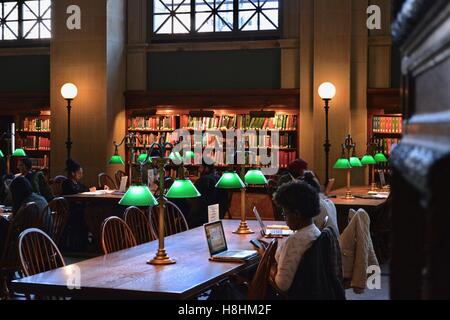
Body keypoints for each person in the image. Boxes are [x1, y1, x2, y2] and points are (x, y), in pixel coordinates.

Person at [271, 181, 322, 293]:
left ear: (297, 214)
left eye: (285, 214)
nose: (285, 218)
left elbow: (282, 285)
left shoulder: (294, 241)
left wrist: (269, 266)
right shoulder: (315, 231)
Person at [61, 159, 95, 252]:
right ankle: (84, 243)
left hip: (78, 207)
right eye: (79, 173)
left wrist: (98, 188)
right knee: (89, 213)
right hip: (71, 211)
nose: (81, 175)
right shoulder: (67, 183)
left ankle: (91, 240)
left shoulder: (77, 183)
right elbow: (75, 193)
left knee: (92, 211)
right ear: (73, 173)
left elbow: (85, 188)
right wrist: (88, 190)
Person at [187, 159, 229, 228]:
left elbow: (194, 198)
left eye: (201, 167)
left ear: (206, 168)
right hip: (218, 215)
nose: (199, 169)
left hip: (201, 218)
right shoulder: (219, 178)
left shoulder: (203, 180)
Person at [301, 171, 340, 235]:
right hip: (334, 240)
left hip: (325, 242)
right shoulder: (329, 202)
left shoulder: (313, 205)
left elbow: (306, 230)